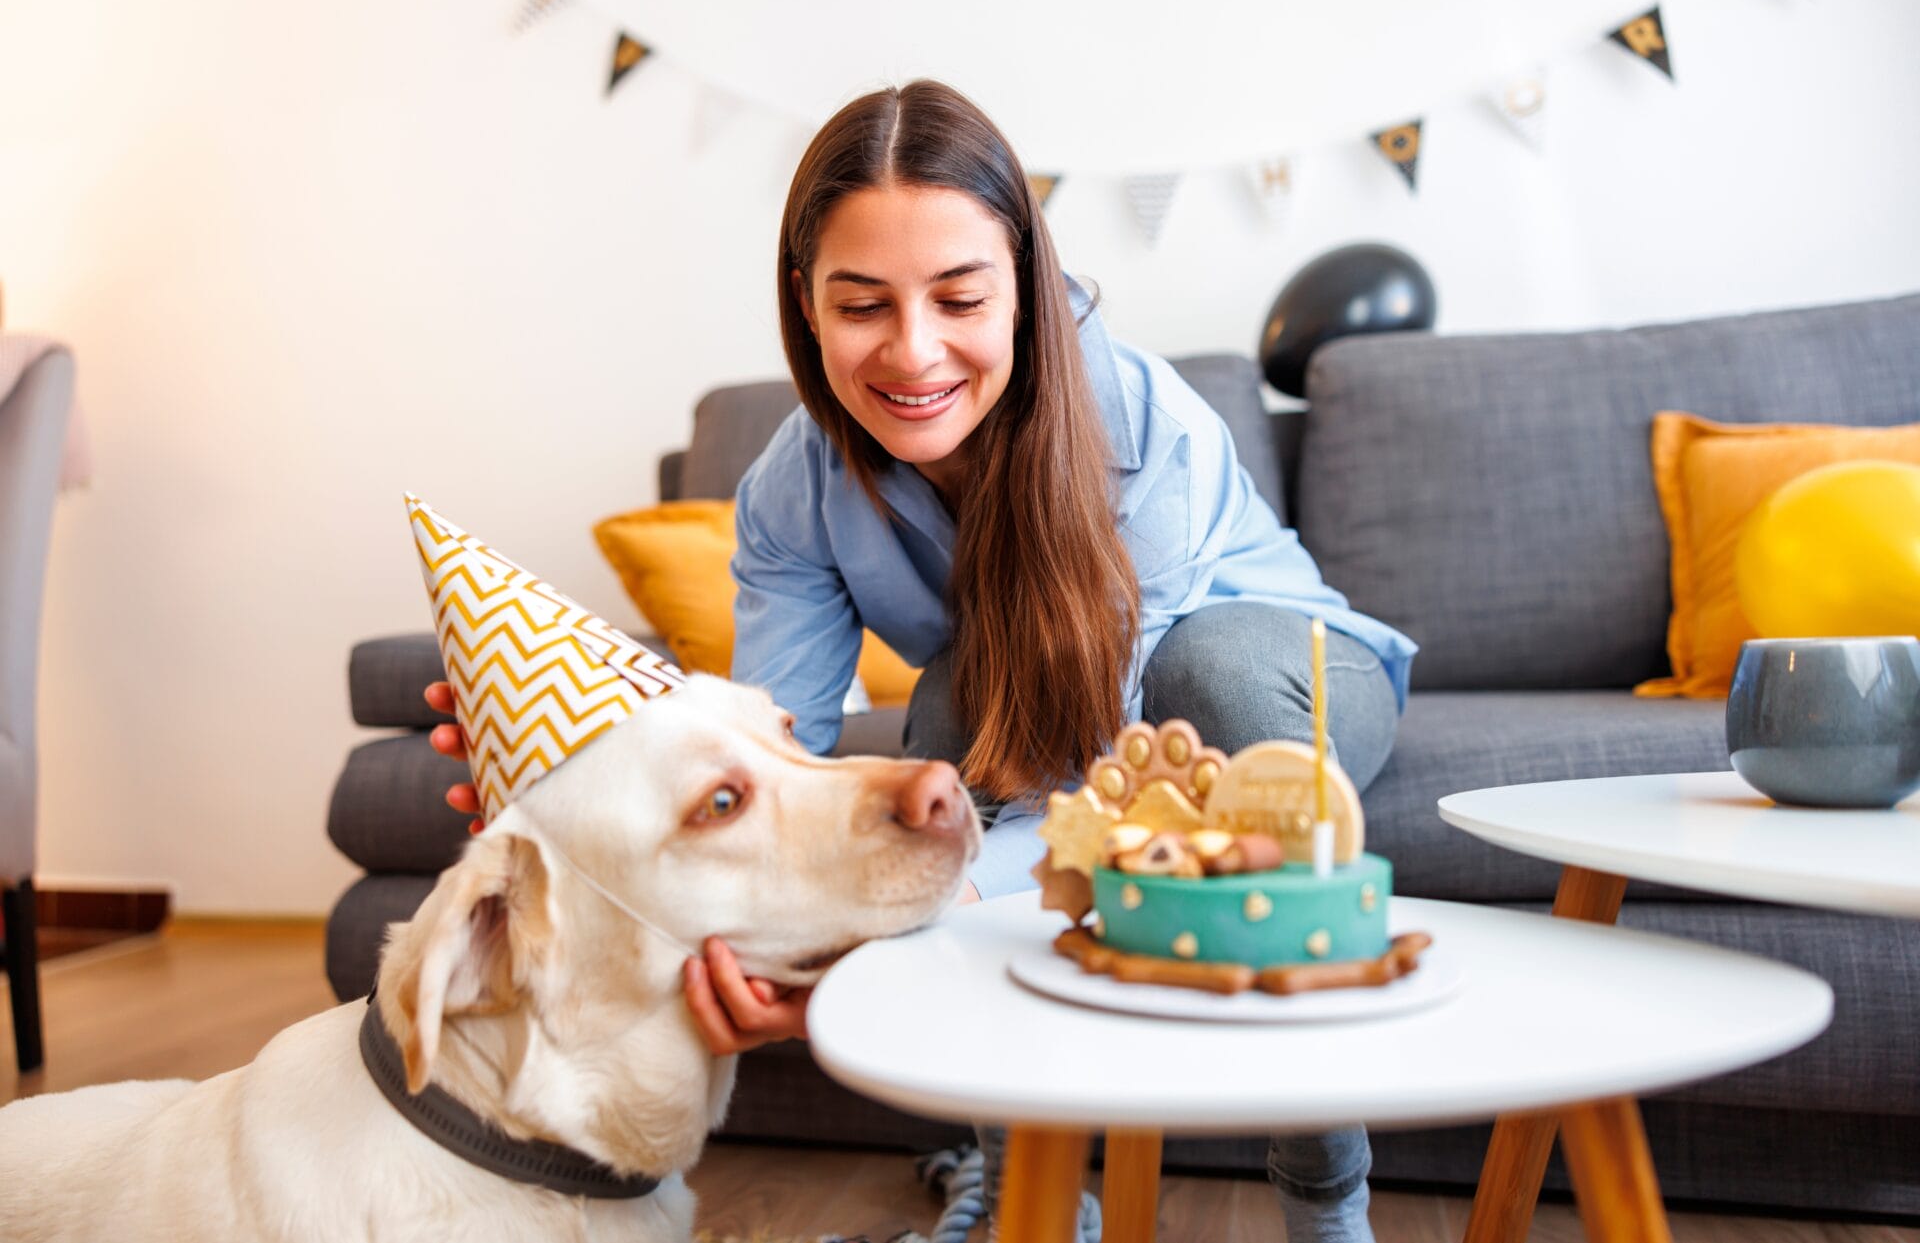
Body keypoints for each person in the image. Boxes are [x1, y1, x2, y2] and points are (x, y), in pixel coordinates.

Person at [430, 79, 1416, 1240]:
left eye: (959, 298)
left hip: (1282, 691)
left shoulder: (1143, 429)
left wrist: (901, 902)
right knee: (959, 694)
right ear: (805, 305)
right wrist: (572, 780)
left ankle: (1326, 1204)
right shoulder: (789, 495)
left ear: (1025, 294)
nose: (913, 350)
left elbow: (1124, 784)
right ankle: (1021, 1192)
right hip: (1034, 698)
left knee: (1206, 686)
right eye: (862, 306)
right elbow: (764, 757)